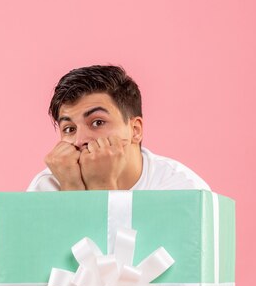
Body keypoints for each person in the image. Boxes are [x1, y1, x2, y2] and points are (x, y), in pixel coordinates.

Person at [27, 65, 210, 192]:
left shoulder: (181, 188)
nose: (79, 140)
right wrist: (71, 188)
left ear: (135, 130)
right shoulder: (47, 187)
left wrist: (103, 186)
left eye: (98, 122)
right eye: (69, 128)